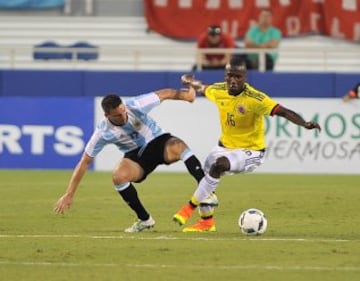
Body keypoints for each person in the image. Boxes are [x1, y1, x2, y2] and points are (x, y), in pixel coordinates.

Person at [172, 57, 321, 232]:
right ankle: (206, 223)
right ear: (225, 76)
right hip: (223, 147)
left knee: (219, 166)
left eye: (238, 76)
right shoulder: (219, 90)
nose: (233, 80)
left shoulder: (255, 99)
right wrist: (189, 80)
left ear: (245, 77)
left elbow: (284, 112)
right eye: (230, 76)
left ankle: (188, 209)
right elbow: (202, 87)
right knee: (205, 179)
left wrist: (304, 124)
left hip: (250, 151)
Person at [54, 88, 207, 233]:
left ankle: (205, 190)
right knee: (118, 177)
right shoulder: (103, 132)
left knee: (179, 147)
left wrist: (186, 96)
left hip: (158, 141)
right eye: (118, 115)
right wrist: (69, 194)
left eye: (123, 111)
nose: (123, 116)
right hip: (137, 157)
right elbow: (84, 161)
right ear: (107, 116)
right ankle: (144, 219)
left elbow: (165, 93)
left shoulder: (135, 105)